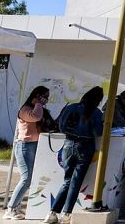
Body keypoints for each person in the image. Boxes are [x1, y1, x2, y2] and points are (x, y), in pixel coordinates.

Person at [43, 86, 104, 224]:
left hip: (68, 144)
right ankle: (67, 214)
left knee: (67, 180)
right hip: (85, 146)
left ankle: (52, 213)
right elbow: (98, 132)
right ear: (98, 100)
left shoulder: (71, 107)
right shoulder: (96, 112)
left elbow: (61, 126)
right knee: (75, 182)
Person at [5, 86, 50, 220]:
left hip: (35, 145)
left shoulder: (38, 109)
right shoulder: (25, 110)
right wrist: (38, 104)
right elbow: (35, 117)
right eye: (45, 96)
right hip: (24, 146)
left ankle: (16, 206)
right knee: (26, 178)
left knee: (29, 179)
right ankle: (11, 209)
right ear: (37, 95)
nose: (46, 100)